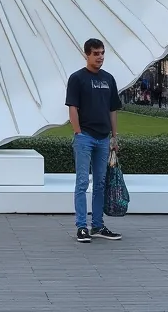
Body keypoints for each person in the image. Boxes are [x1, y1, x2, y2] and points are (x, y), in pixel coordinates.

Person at [66, 38, 123, 243]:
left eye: (102, 53)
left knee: (100, 183)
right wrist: (78, 132)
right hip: (85, 137)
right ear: (86, 55)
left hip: (103, 138)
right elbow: (73, 107)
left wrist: (114, 137)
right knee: (82, 183)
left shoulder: (109, 79)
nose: (100, 57)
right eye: (96, 53)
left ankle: (98, 225)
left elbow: (112, 110)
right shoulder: (77, 78)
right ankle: (82, 226)